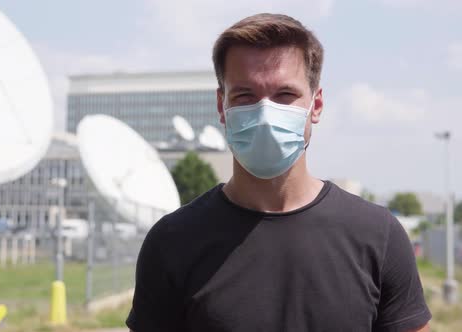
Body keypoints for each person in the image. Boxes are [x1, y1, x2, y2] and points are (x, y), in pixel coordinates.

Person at [126, 13, 431, 332]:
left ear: (316, 105)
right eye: (245, 95)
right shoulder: (173, 241)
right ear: (221, 106)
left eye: (285, 95)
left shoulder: (378, 236)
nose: (265, 113)